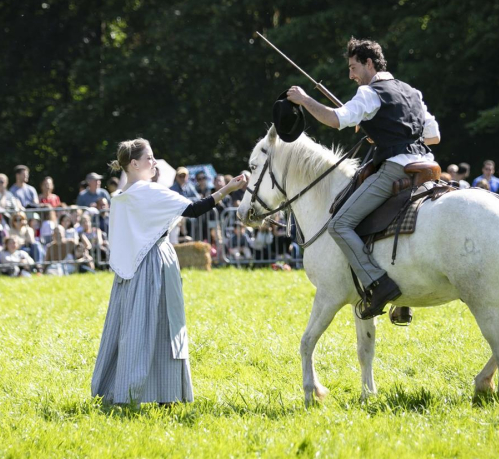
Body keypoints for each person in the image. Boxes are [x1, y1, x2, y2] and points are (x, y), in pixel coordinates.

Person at [286, 37, 440, 319]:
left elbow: (335, 119)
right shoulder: (412, 92)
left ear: (369, 63)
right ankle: (403, 297)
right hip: (427, 167)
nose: (351, 75)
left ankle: (378, 285)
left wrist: (304, 99)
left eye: (354, 67)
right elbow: (434, 136)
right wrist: (382, 132)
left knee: (340, 224)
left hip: (396, 168)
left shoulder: (370, 94)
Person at [91, 138, 248, 405]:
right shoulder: (149, 192)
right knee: (165, 326)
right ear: (134, 163)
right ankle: (166, 393)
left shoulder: (118, 197)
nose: (153, 162)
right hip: (155, 264)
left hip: (129, 273)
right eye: (149, 158)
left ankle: (126, 389)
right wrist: (228, 189)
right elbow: (194, 209)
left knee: (133, 328)